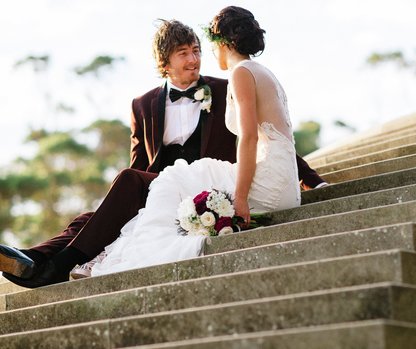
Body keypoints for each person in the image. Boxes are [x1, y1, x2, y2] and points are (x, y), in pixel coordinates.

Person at [0, 16, 325, 288]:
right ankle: (32, 258)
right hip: (162, 180)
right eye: (183, 53)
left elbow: (261, 137)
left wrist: (311, 179)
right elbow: (139, 164)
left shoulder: (227, 85)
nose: (194, 59)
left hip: (204, 182)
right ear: (164, 62)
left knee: (124, 185)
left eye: (197, 50)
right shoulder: (142, 105)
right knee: (99, 211)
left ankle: (55, 267)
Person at [90, 6, 308, 275]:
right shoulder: (262, 72)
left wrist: (240, 197)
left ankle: (128, 260)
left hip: (269, 187)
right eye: (185, 52)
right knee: (180, 179)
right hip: (283, 186)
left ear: (223, 44)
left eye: (203, 48)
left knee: (173, 179)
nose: (202, 56)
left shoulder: (241, 74)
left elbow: (249, 137)